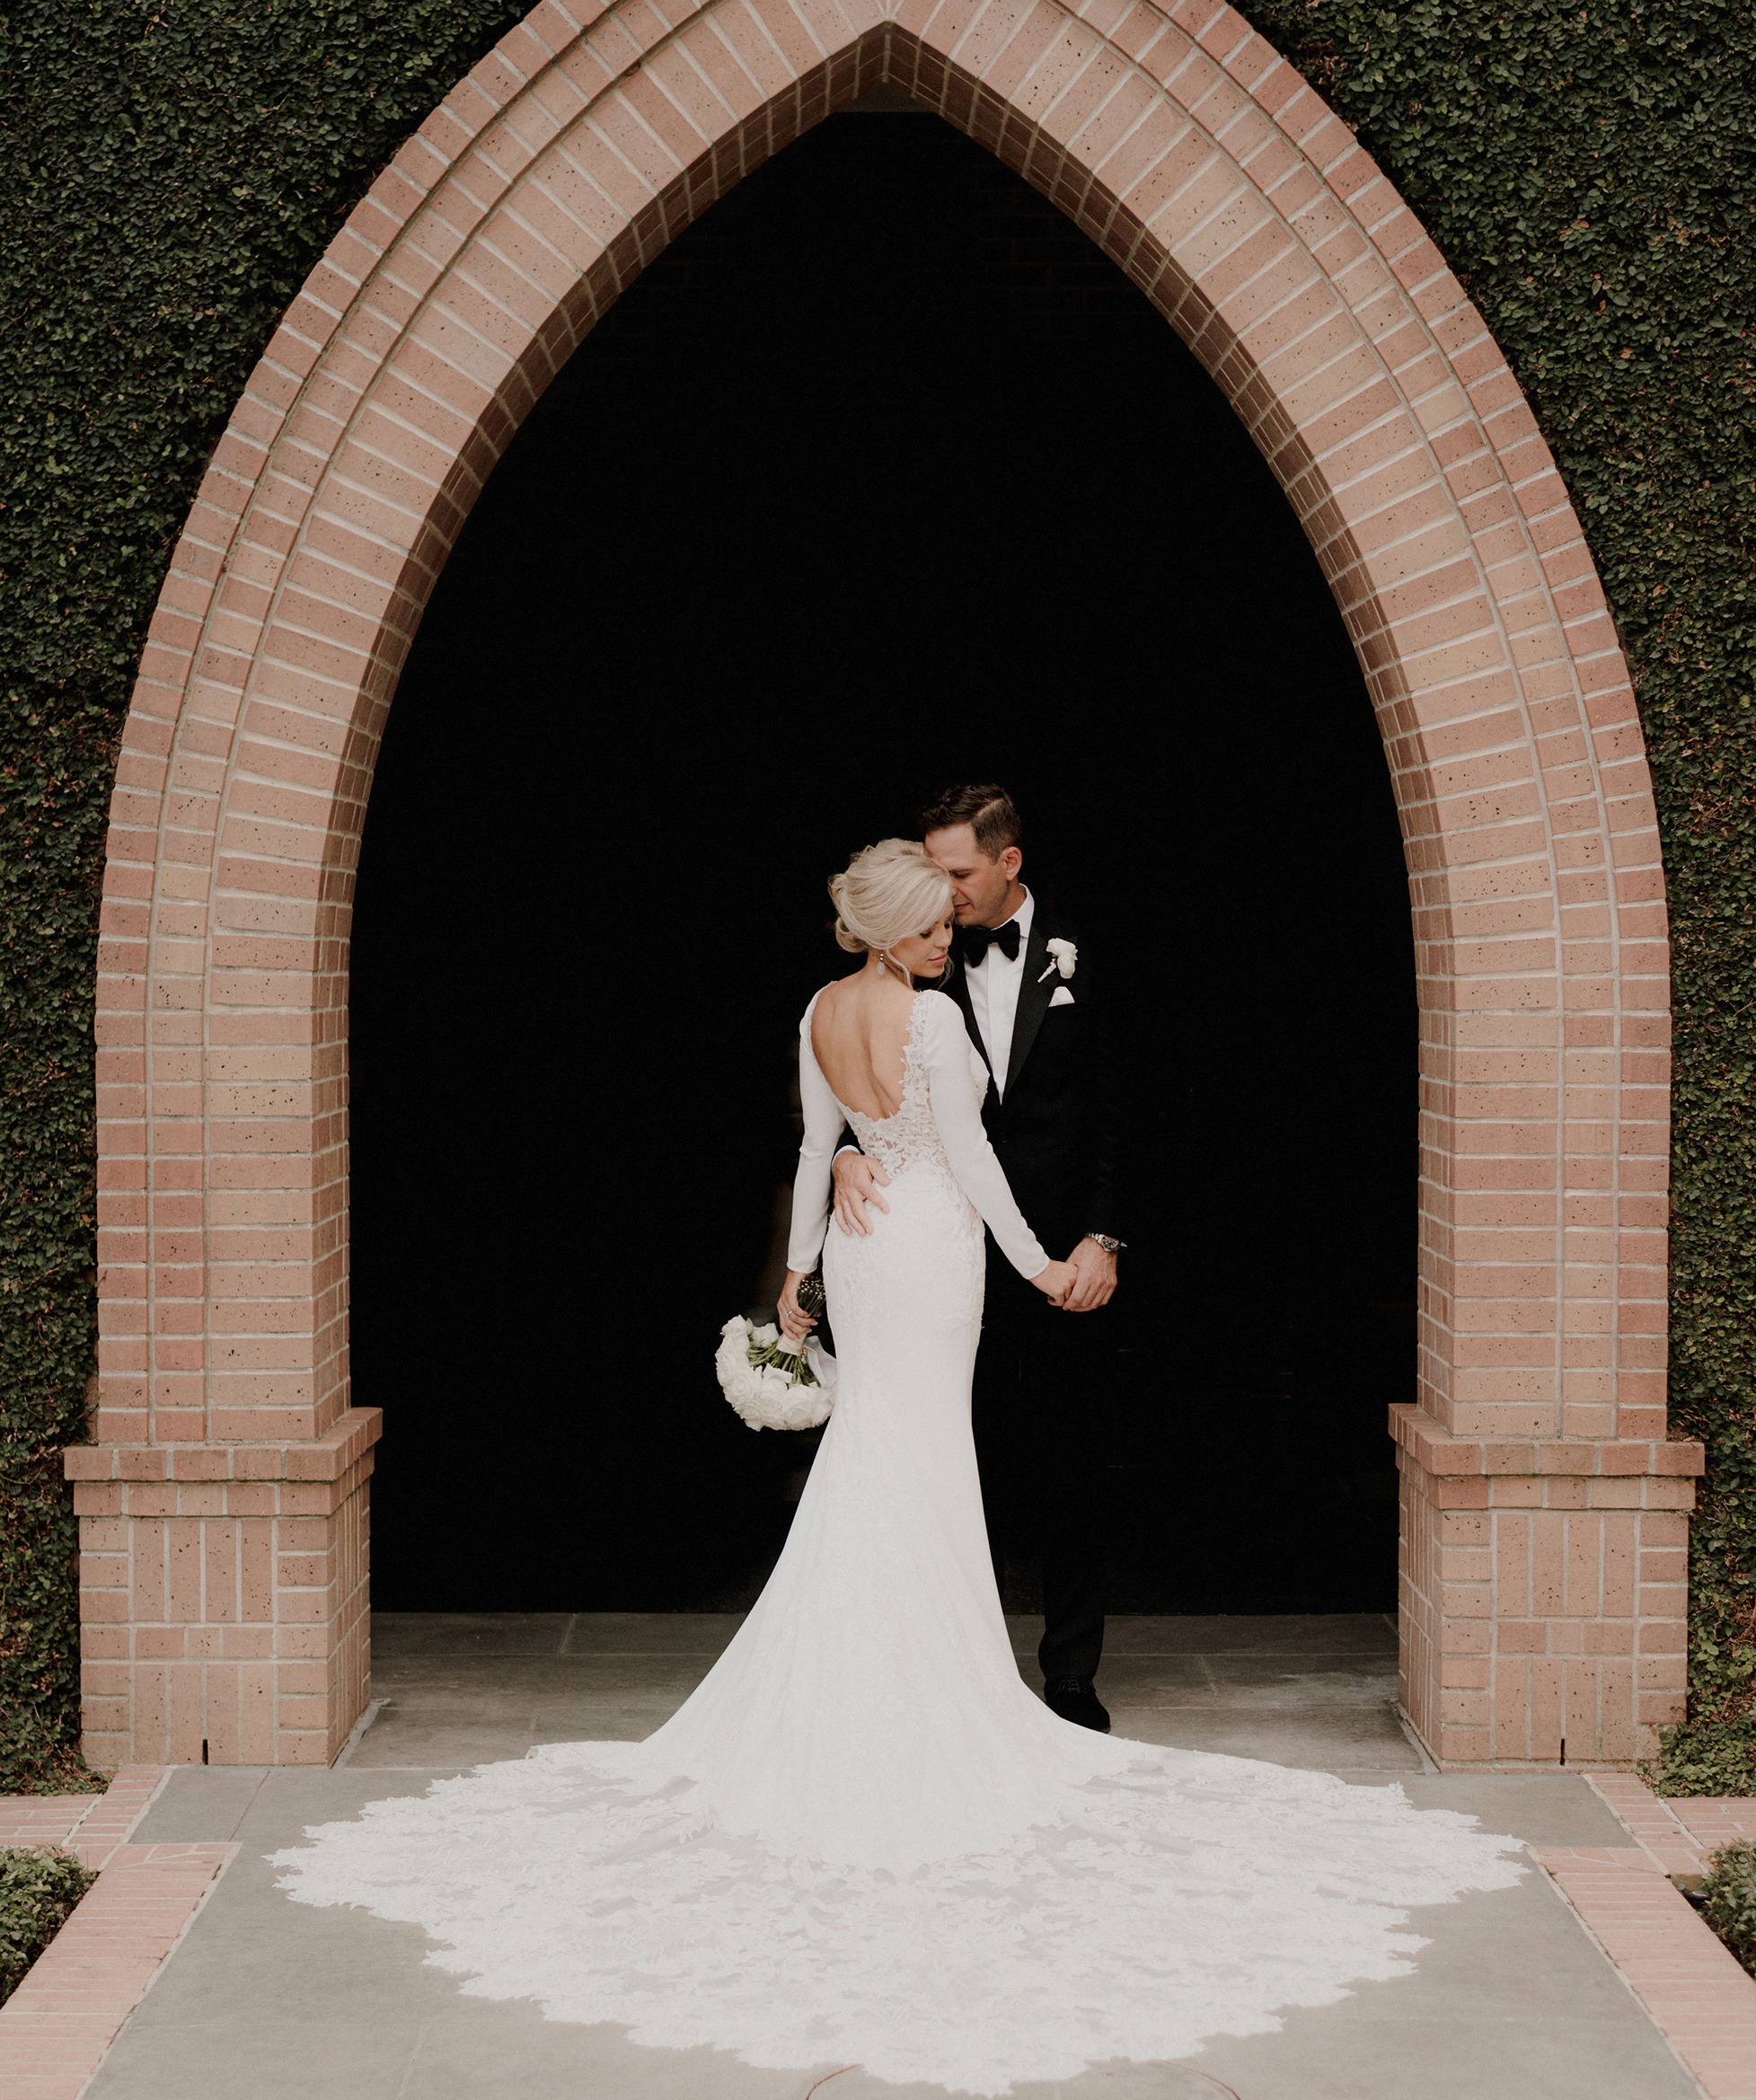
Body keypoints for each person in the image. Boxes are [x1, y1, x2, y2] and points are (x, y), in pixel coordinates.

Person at [273, 838, 1521, 2094]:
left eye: (948, 924)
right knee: (916, 1456)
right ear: (892, 932)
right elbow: (971, 1163)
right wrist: (1039, 1263)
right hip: (930, 1253)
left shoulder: (818, 1011)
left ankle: (874, 1676)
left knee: (881, 1451)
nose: (947, 941)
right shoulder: (924, 1018)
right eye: (931, 928)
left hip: (865, 1262)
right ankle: (932, 1695)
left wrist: (797, 1275)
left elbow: (820, 1150)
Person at [832, 783, 1120, 1729]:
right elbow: (853, 1073)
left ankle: (1069, 1674)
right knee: (953, 1458)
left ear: (1008, 863)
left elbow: (1130, 1103)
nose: (938, 894)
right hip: (938, 1254)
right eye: (927, 873)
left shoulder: (1089, 947)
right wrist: (846, 1152)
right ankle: (956, 1669)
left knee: (1072, 1461)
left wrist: (1102, 1235)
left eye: (953, 873)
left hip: (1062, 1254)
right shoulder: (911, 950)